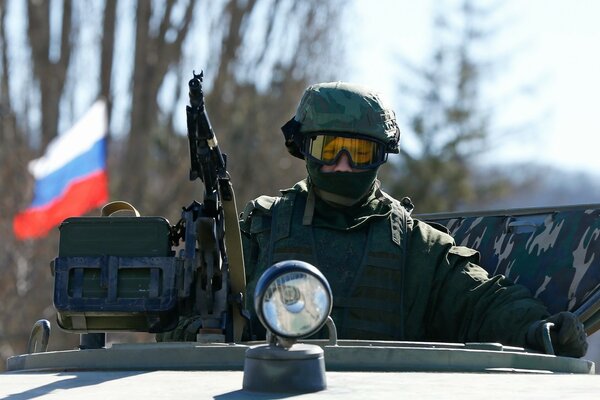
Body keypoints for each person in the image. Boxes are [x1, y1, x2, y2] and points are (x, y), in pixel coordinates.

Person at [239, 81, 588, 357]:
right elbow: (201, 306)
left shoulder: (416, 246)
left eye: (358, 152)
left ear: (380, 155)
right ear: (303, 147)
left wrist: (538, 328)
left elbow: (480, 301)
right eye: (328, 149)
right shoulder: (261, 229)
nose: (342, 163)